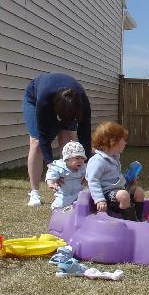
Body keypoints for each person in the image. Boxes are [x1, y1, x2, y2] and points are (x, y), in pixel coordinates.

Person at [22, 73, 92, 206]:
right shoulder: (44, 99)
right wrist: (51, 165)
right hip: (34, 99)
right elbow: (43, 136)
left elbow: (85, 135)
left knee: (67, 139)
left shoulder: (82, 103)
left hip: (66, 102)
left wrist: (85, 165)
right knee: (36, 142)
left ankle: (68, 190)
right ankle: (35, 193)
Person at [85, 122, 144, 221]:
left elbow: (114, 178)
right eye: (123, 140)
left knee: (139, 191)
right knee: (124, 195)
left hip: (119, 191)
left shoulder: (114, 157)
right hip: (106, 195)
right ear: (112, 141)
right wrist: (100, 200)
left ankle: (139, 219)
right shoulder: (97, 160)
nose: (125, 143)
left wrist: (128, 181)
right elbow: (93, 180)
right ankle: (131, 223)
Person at [45, 141, 87, 210]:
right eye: (77, 158)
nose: (80, 161)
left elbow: (90, 174)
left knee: (83, 204)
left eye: (82, 158)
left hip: (78, 194)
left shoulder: (83, 168)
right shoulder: (60, 167)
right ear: (67, 159)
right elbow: (51, 173)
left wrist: (86, 178)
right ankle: (58, 212)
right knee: (59, 206)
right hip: (64, 195)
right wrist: (51, 183)